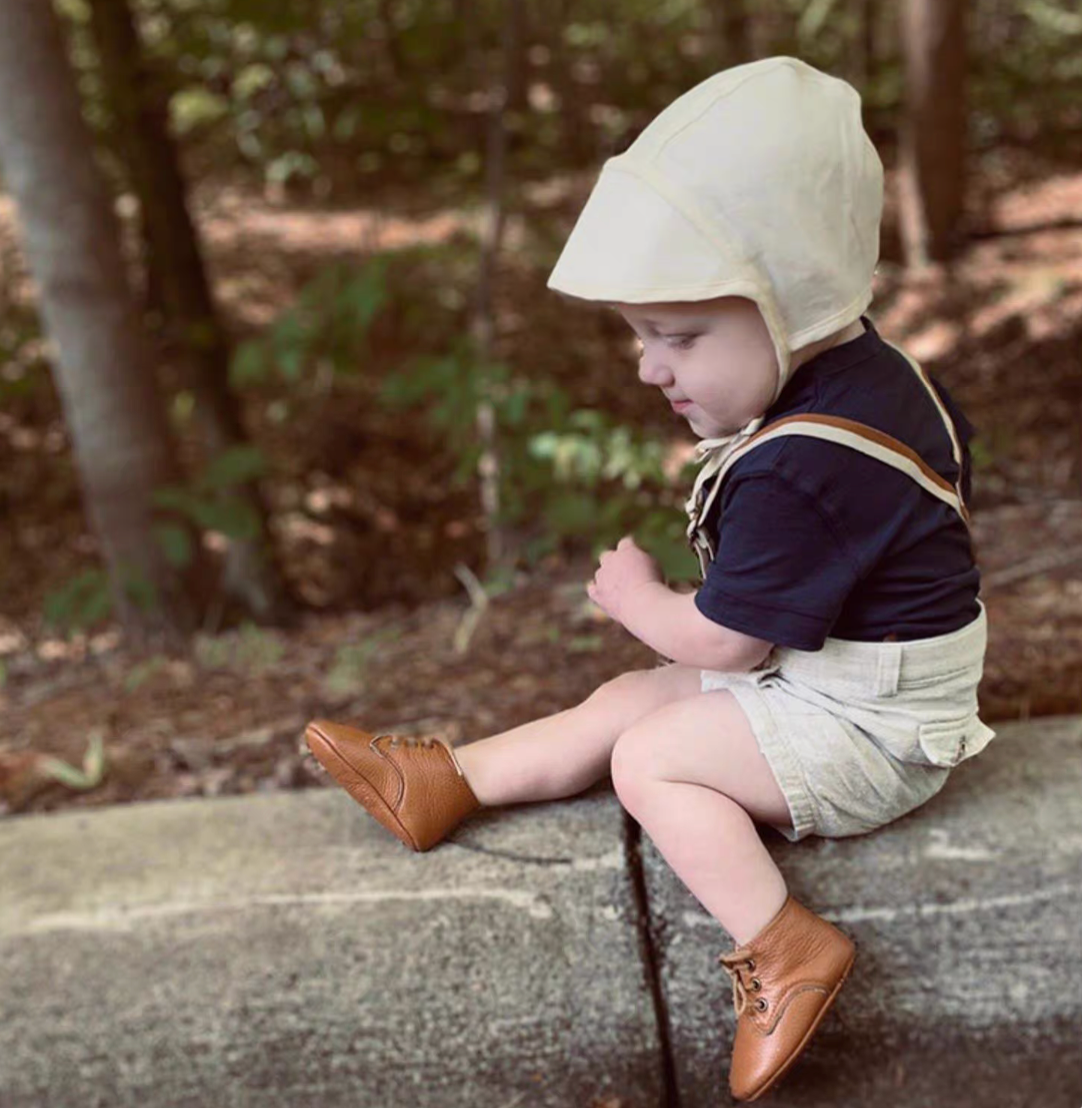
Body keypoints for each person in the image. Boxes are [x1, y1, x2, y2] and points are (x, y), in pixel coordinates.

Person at [304, 56, 996, 1102]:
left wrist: (636, 599)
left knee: (654, 755)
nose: (649, 368)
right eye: (640, 337)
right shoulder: (867, 376)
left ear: (791, 303)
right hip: (855, 683)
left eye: (678, 336)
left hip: (876, 733)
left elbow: (727, 643)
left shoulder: (804, 462)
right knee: (626, 699)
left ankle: (783, 948)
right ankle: (446, 783)